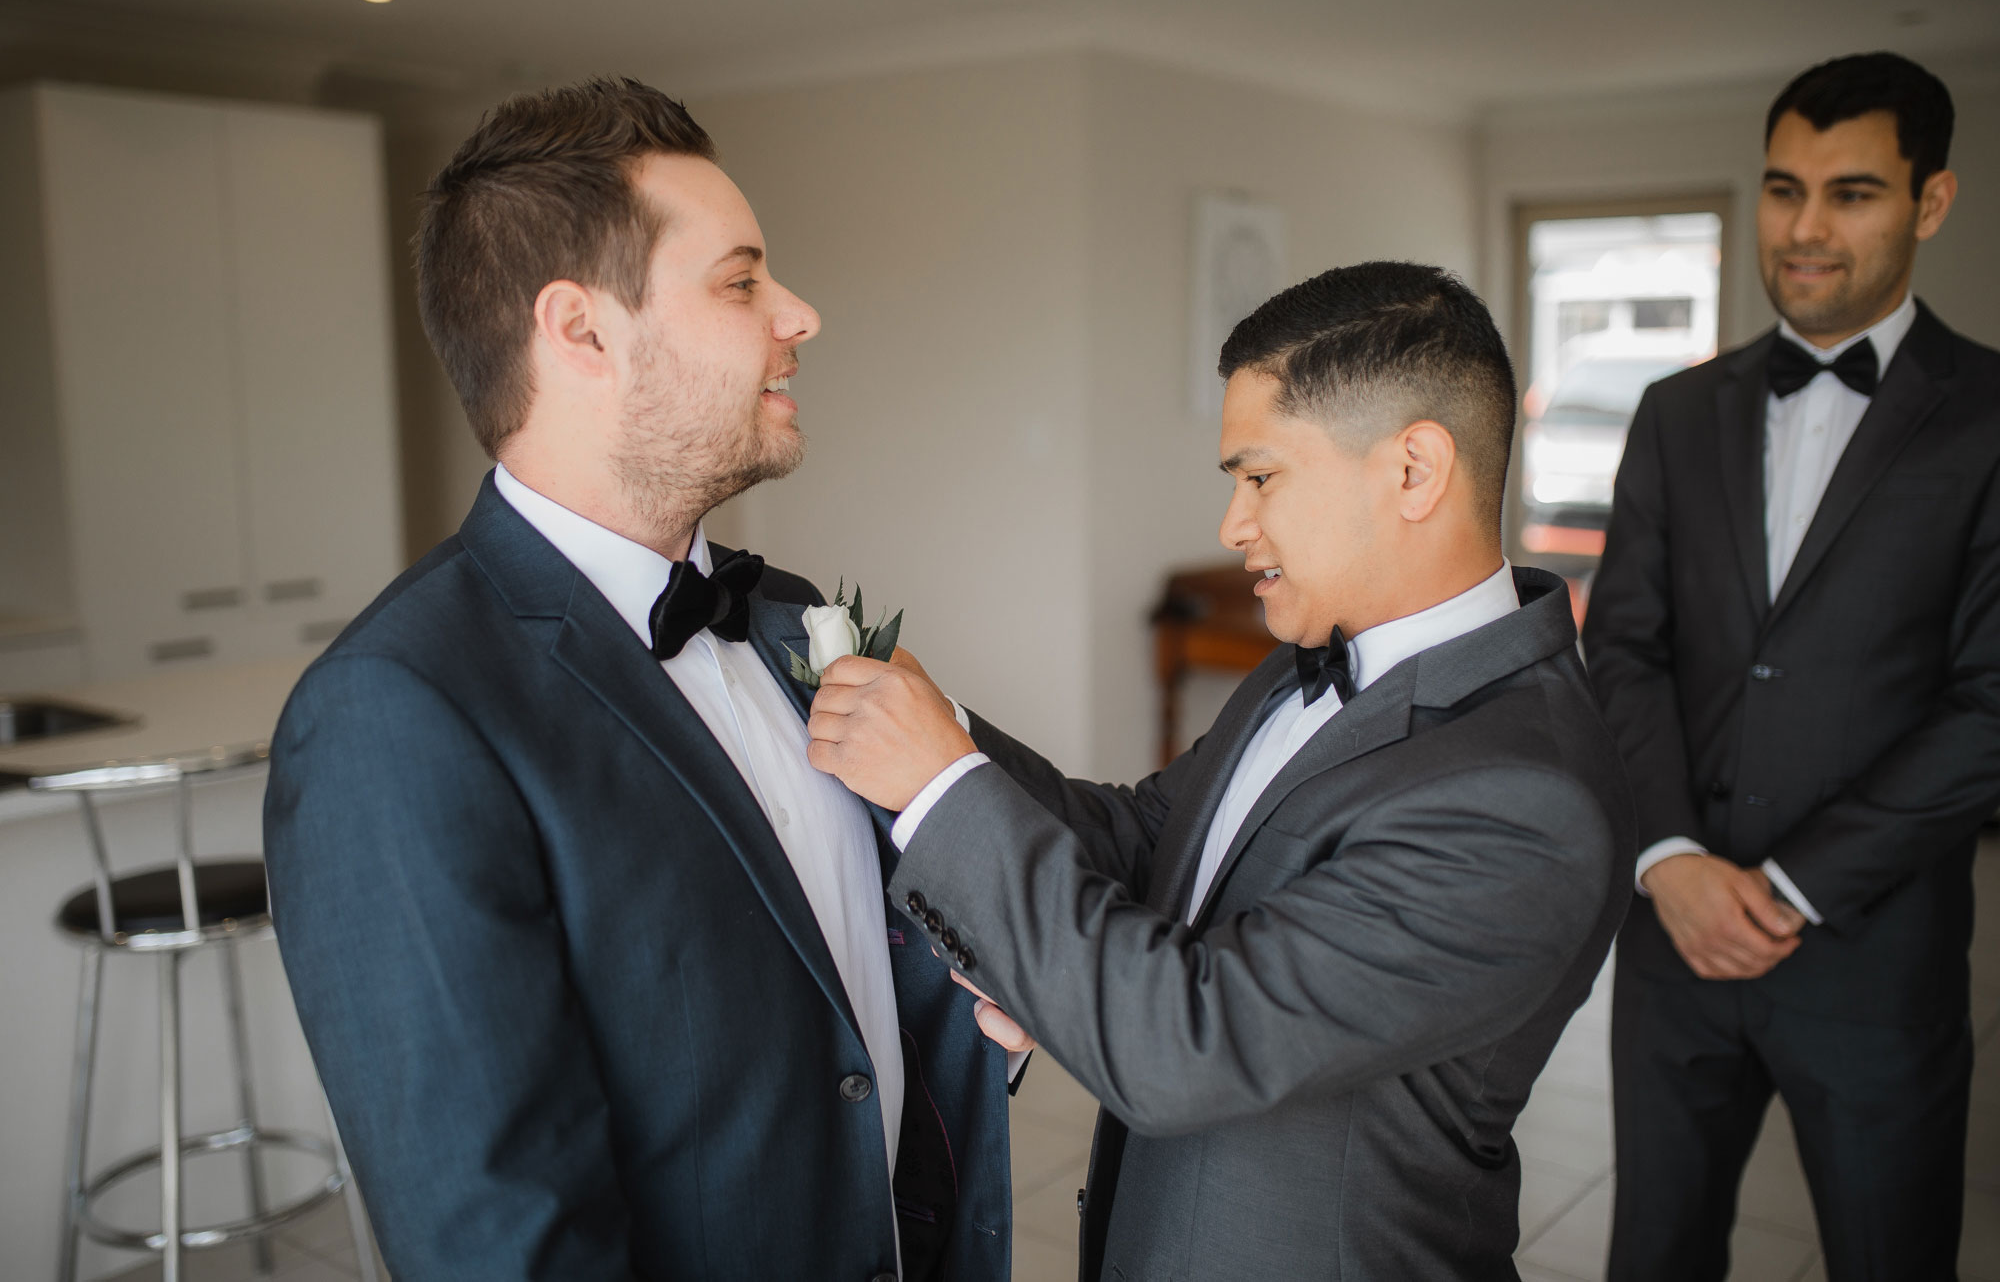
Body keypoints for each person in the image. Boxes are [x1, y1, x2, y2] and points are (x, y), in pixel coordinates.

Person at [262, 77, 1013, 1282]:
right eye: (741, 281)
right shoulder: (396, 712)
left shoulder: (781, 618)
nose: (800, 314)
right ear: (581, 332)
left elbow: (848, 991)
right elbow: (497, 1237)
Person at [805, 262, 1636, 1279]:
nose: (1231, 525)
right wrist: (945, 734)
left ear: (1413, 470)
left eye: (1260, 476)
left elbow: (1181, 1042)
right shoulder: (1303, 662)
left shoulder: (1523, 795)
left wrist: (939, 787)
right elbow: (1142, 839)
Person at [1582, 52, 1999, 1281]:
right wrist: (1667, 861)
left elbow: (1990, 707)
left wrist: (1786, 887)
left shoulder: (1987, 417)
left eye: (1851, 193)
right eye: (1780, 189)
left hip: (1870, 957)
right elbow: (1623, 650)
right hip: (1668, 949)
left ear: (1929, 201)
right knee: (1652, 1253)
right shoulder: (1672, 410)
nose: (1804, 228)